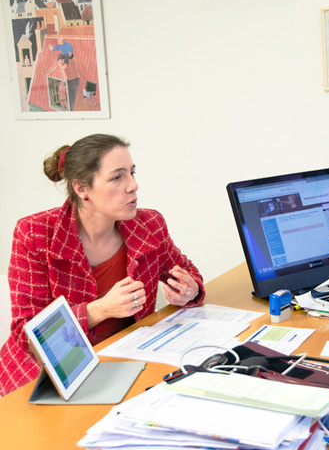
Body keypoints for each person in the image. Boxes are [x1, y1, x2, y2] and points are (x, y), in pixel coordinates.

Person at [0, 134, 205, 397]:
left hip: (121, 363)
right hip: (43, 378)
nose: (133, 185)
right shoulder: (36, 233)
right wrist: (99, 310)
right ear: (82, 189)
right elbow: (25, 336)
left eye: (132, 173)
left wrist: (191, 290)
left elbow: (189, 274)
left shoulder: (149, 224)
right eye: (117, 177)